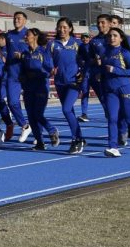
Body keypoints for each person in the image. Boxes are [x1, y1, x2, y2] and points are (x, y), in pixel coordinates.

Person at [101, 27, 130, 157]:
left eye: (115, 36)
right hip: (110, 90)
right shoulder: (104, 53)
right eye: (110, 36)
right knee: (112, 118)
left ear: (121, 38)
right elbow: (103, 70)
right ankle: (113, 147)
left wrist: (115, 70)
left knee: (128, 117)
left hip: (125, 88)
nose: (112, 38)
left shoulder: (124, 52)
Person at [49, 18, 85, 154]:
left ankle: (76, 139)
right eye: (60, 27)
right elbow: (47, 61)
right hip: (60, 83)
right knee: (70, 112)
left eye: (65, 27)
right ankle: (80, 137)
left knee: (66, 109)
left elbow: (85, 61)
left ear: (70, 28)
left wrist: (82, 74)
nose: (62, 30)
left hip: (74, 83)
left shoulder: (77, 43)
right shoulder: (52, 44)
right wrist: (50, 69)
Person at [20, 28, 55, 150]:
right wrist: (22, 77)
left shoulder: (43, 52)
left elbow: (50, 71)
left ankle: (52, 130)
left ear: (35, 37)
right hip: (28, 89)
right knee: (31, 116)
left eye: (27, 35)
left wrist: (37, 74)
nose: (25, 37)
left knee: (38, 114)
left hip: (40, 88)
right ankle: (40, 142)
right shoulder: (24, 54)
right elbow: (22, 70)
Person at [5, 12, 34, 143]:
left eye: (19, 18)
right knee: (12, 102)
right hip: (12, 74)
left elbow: (37, 51)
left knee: (32, 106)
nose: (16, 20)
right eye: (14, 18)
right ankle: (25, 126)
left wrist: (23, 56)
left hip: (28, 74)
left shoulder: (30, 34)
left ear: (25, 21)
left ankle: (39, 134)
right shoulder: (9, 35)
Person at [77, 33, 93, 122]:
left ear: (89, 38)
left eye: (86, 37)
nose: (85, 39)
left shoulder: (93, 46)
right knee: (85, 93)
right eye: (83, 37)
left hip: (94, 73)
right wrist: (81, 62)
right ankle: (84, 113)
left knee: (102, 94)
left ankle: (108, 112)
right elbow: (78, 58)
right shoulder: (81, 47)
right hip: (85, 73)